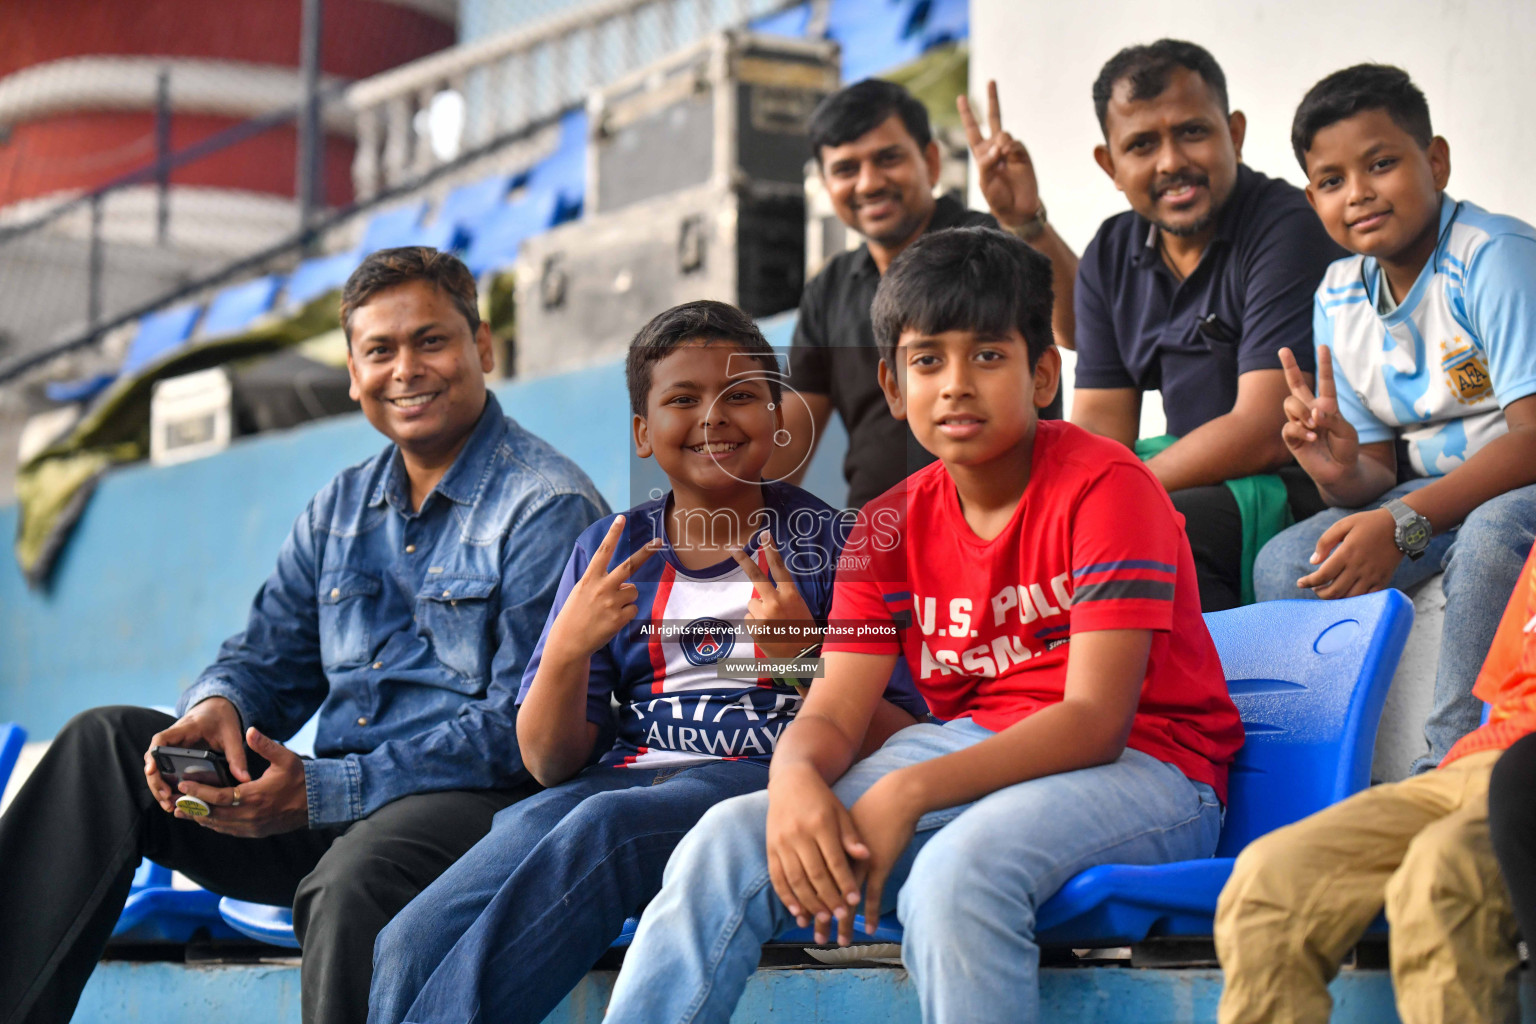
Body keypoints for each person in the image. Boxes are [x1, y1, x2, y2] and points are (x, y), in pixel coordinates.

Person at [601, 227, 1244, 1024]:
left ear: (1043, 373)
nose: (955, 385)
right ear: (893, 387)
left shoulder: (1107, 486)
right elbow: (834, 707)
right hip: (972, 754)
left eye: (988, 356)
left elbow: (1095, 722)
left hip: (1152, 768)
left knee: (956, 878)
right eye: (928, 360)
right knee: (725, 842)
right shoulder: (881, 527)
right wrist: (797, 778)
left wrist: (909, 788)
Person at [0, 247, 608, 1024]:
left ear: (481, 348)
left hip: (486, 815)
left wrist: (325, 791)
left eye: (432, 341)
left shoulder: (546, 505)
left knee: (350, 881)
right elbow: (266, 657)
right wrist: (219, 706)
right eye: (379, 351)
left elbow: (515, 733)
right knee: (106, 747)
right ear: (353, 374)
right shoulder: (340, 508)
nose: (406, 370)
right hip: (340, 809)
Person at [367, 300, 926, 1024]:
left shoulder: (839, 546)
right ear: (642, 433)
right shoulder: (610, 551)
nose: (713, 417)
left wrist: (801, 658)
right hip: (613, 784)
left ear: (780, 419)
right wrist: (569, 648)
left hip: (755, 782)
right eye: (683, 400)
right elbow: (547, 762)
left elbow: (902, 735)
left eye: (741, 396)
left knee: (608, 830)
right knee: (409, 938)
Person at [1255, 64, 1536, 773]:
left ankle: (1450, 766)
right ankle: (1318, 775)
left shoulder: (1493, 257)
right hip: (1434, 498)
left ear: (1434, 160)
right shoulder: (1340, 292)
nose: (1360, 193)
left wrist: (1404, 521)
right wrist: (1341, 471)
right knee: (1289, 563)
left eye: (1381, 164)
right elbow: (1376, 471)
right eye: (1331, 180)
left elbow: (1532, 440)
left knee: (1492, 534)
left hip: (1516, 487)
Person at [1069, 39, 1343, 610]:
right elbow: (1100, 425)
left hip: (1302, 481)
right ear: (1110, 165)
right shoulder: (1110, 252)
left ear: (1234, 134)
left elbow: (1264, 427)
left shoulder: (1286, 224)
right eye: (1142, 144)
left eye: (1192, 132)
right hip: (1190, 477)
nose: (1171, 162)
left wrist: (1119, 490)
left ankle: (1207, 702)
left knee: (1164, 532)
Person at [1216, 536, 1536, 1024]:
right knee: (1270, 875)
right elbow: (1507, 696)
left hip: (1523, 778)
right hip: (1484, 757)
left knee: (1440, 875)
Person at [770, 77, 1078, 508]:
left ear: (930, 162)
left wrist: (1026, 224)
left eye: (888, 158)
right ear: (825, 183)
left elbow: (1084, 330)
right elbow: (786, 445)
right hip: (877, 543)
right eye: (845, 169)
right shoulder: (830, 287)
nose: (868, 182)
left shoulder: (991, 243)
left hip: (1011, 529)